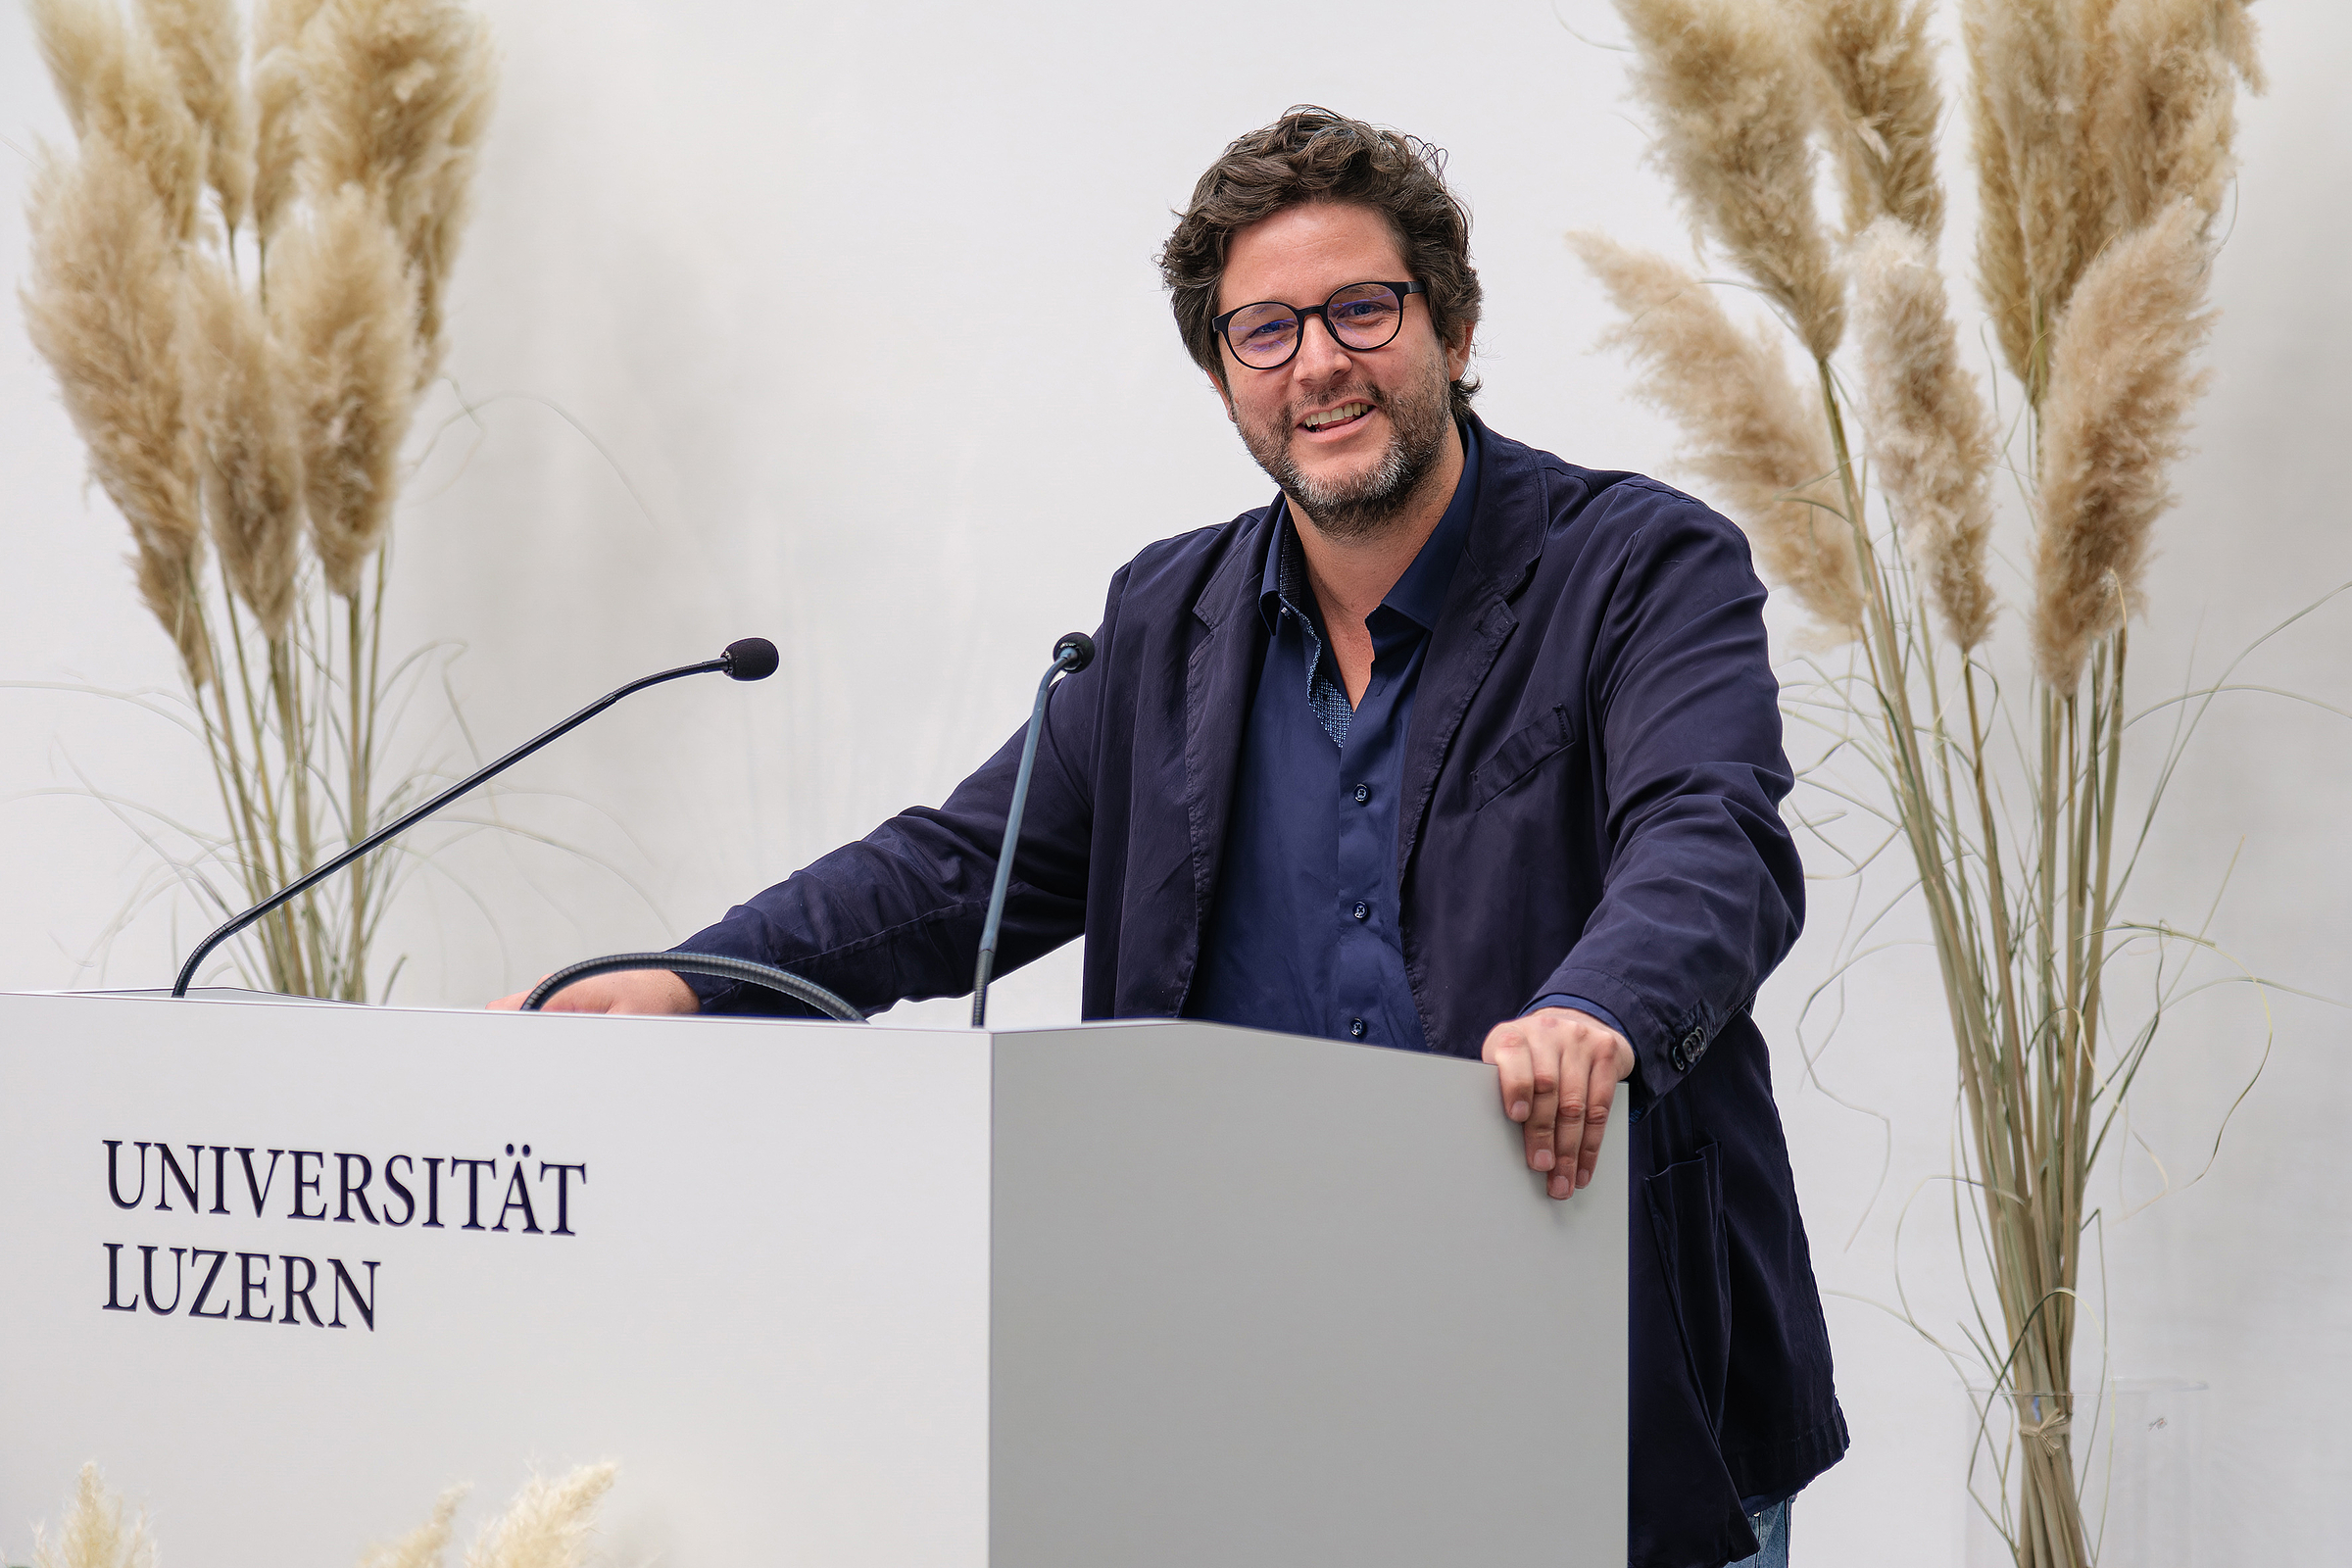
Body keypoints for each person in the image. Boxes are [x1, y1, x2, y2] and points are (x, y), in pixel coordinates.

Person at [492, 106, 1846, 1568]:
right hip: (1245, 1386)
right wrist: (692, 980)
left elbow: (1709, 833)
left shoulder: (1639, 567)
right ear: (1223, 379)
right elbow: (957, 868)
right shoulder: (1164, 621)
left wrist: (1597, 1007)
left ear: (1454, 330)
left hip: (1596, 1372)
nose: (1318, 363)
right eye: (1265, 331)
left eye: (1362, 309)